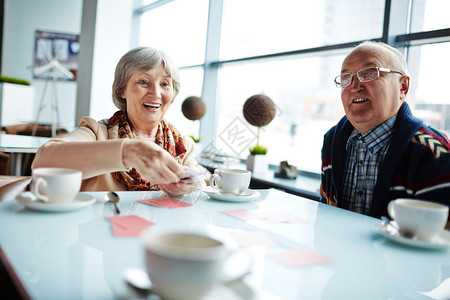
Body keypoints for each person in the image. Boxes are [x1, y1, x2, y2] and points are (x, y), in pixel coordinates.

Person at [32, 47, 205, 195]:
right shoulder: (97, 132)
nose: (156, 93)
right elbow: (43, 161)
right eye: (144, 82)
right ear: (123, 89)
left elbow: (199, 185)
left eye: (165, 84)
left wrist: (188, 187)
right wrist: (128, 151)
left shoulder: (183, 145)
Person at [320, 41, 450, 218]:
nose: (355, 86)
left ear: (403, 87)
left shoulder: (434, 152)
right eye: (346, 78)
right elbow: (326, 213)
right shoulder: (332, 139)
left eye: (369, 73)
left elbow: (440, 236)